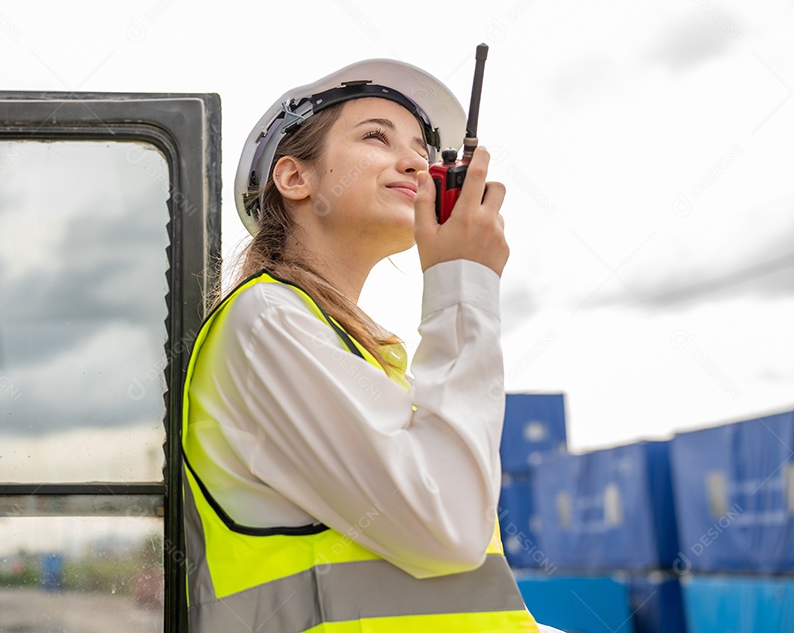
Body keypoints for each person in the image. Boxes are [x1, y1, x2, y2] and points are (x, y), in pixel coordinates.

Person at [181, 59, 556, 632]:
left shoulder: (351, 353)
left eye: (422, 150)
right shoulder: (266, 323)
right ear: (294, 178)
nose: (415, 161)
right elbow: (448, 527)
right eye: (376, 136)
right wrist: (462, 283)